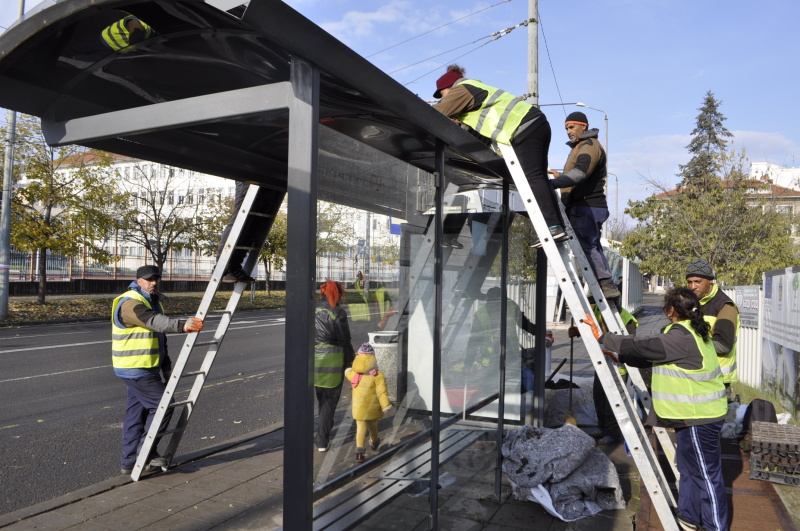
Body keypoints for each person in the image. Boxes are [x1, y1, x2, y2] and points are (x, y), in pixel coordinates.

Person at [584, 287, 728, 531]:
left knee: (706, 475)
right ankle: (690, 517)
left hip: (699, 417)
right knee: (689, 469)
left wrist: (602, 337)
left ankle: (715, 526)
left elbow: (643, 346)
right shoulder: (690, 332)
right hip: (689, 417)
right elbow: (654, 357)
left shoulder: (680, 336)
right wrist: (618, 357)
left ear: (670, 310)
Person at [431, 65, 567, 245]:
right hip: (534, 124)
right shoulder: (475, 92)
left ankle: (552, 228)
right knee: (538, 178)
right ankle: (556, 225)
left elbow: (436, 113)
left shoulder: (461, 90)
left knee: (531, 178)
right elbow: (475, 133)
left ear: (447, 88)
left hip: (523, 127)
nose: (442, 98)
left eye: (441, 94)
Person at [112, 265, 204, 475]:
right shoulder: (130, 302)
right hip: (136, 368)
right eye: (149, 279)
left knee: (136, 415)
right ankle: (146, 455)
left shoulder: (151, 301)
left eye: (156, 279)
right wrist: (182, 325)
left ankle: (129, 463)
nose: (153, 282)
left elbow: (159, 339)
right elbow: (153, 322)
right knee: (164, 406)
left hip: (146, 368)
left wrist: (166, 368)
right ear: (138, 280)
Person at [549, 112, 619, 299]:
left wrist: (552, 184)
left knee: (587, 245)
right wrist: (559, 178)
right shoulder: (580, 146)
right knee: (592, 245)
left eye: (571, 127)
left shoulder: (589, 145)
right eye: (566, 128)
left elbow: (580, 173)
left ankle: (606, 284)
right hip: (588, 206)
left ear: (584, 126)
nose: (568, 131)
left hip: (587, 206)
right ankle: (605, 284)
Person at [569, 298, 639, 445]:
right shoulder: (597, 311)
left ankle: (612, 433)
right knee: (599, 397)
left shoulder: (626, 318)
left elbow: (632, 346)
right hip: (601, 363)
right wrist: (578, 331)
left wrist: (633, 371)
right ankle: (603, 428)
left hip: (617, 367)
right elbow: (592, 329)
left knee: (612, 402)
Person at [686, 259, 740, 400]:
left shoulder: (725, 306)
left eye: (698, 281)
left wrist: (685, 344)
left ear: (710, 281)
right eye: (689, 282)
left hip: (717, 379)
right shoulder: (693, 303)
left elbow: (723, 346)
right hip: (696, 376)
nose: (693, 286)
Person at [314, 280, 356, 452]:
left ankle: (324, 428)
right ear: (338, 293)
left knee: (322, 398)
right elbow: (344, 339)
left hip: (314, 358)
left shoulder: (312, 309)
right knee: (330, 401)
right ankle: (322, 440)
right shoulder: (338, 312)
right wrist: (350, 361)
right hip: (333, 359)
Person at [345, 343, 392, 463]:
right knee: (373, 425)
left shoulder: (355, 374)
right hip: (373, 407)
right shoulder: (378, 375)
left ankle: (359, 453)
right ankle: (374, 443)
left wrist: (348, 369)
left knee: (360, 427)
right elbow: (382, 392)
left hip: (359, 408)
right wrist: (385, 405)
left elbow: (347, 372)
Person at [346, 271, 394, 345]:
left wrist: (383, 323)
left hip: (377, 330)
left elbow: (390, 308)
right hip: (357, 334)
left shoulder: (380, 289)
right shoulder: (349, 292)